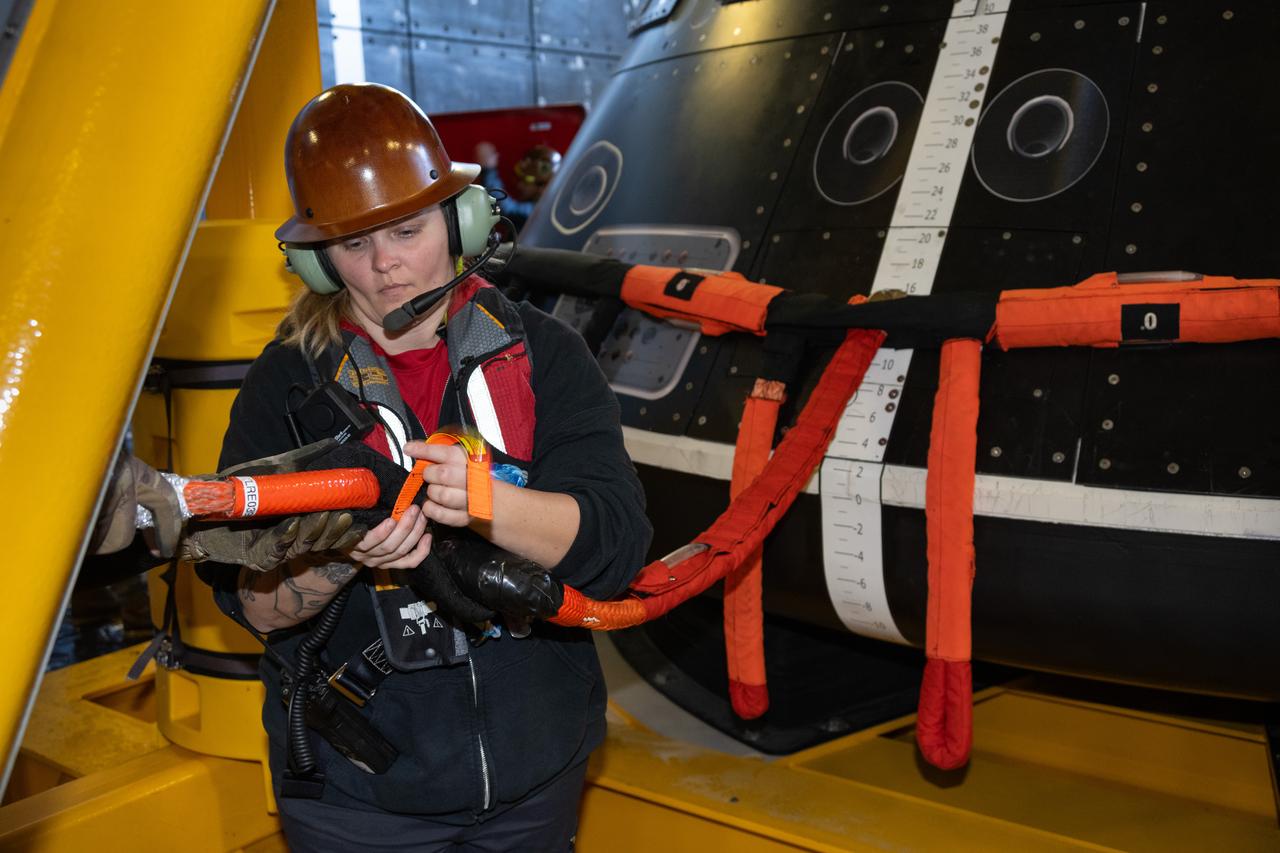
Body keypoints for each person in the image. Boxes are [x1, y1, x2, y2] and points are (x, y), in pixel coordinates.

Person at [200, 82, 651, 851]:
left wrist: (486, 505)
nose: (385, 268)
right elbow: (256, 607)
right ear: (317, 261)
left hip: (533, 773)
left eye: (406, 231)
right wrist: (338, 553)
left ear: (459, 220)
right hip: (357, 792)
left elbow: (614, 549)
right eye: (353, 245)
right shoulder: (287, 384)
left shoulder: (545, 354)